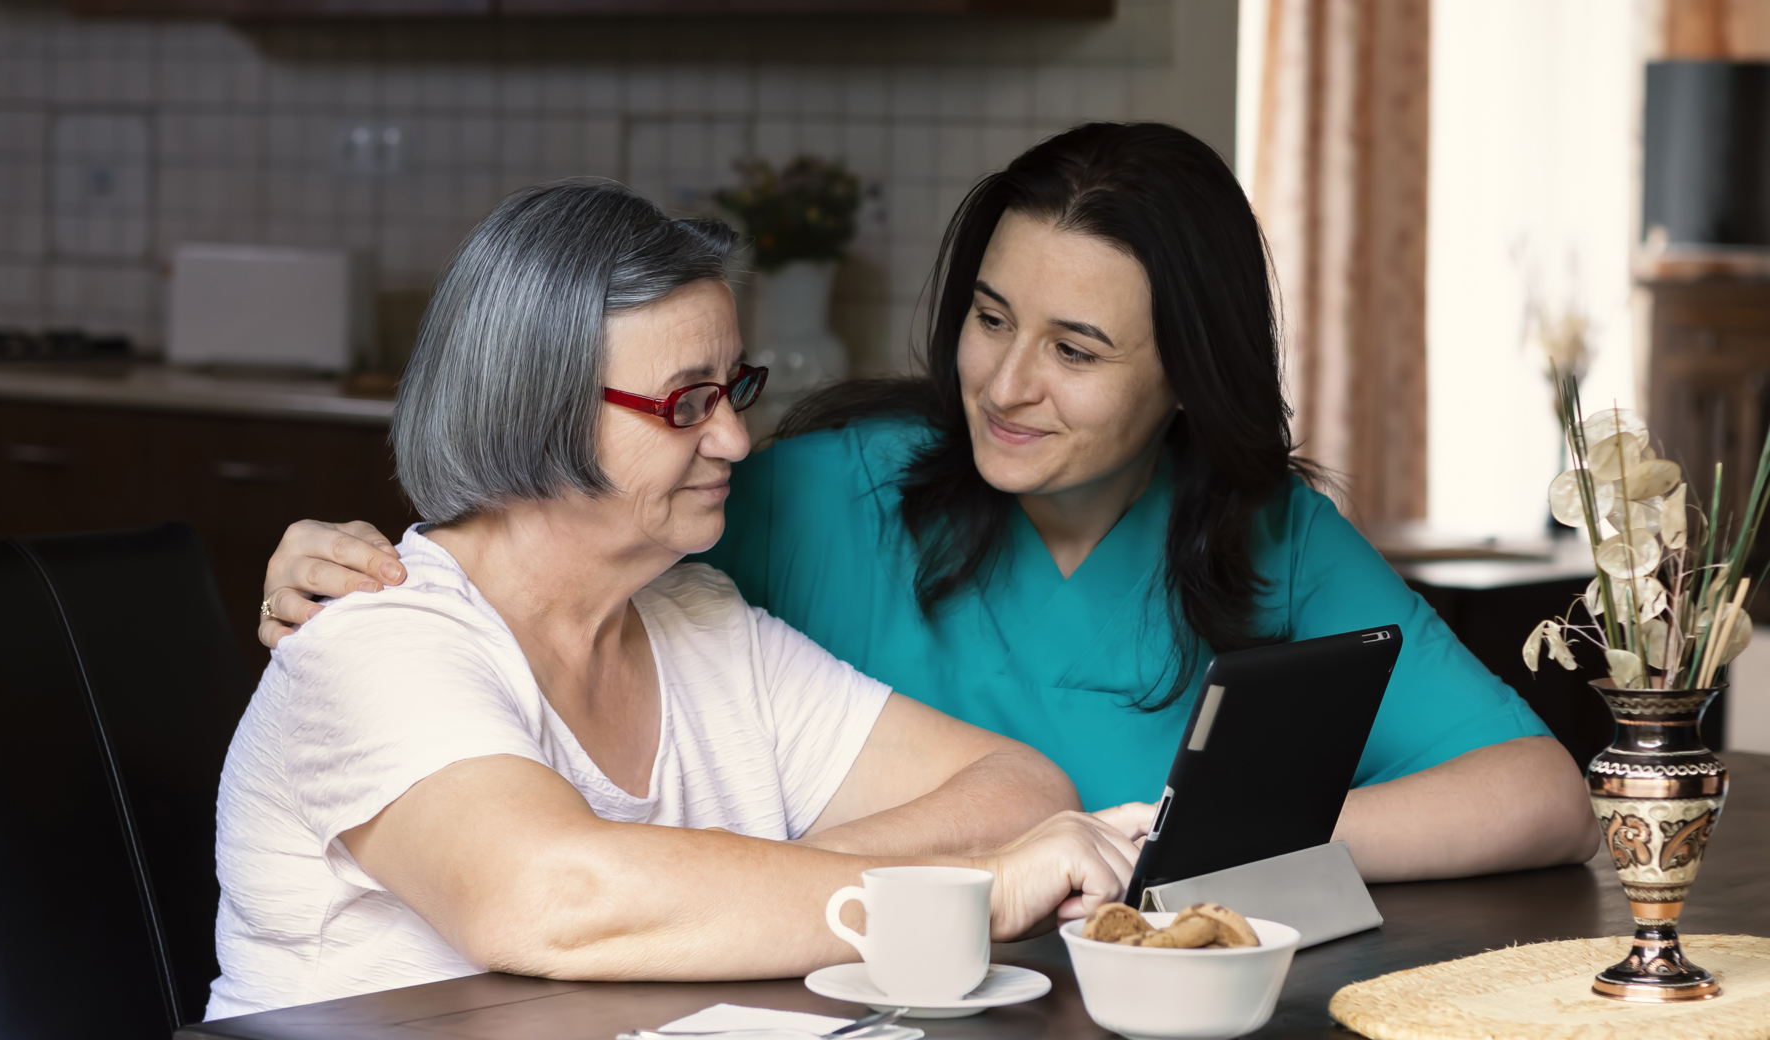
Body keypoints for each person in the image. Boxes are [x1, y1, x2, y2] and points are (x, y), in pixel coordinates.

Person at [257, 123, 1599, 887]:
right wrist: (357, 558)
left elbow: (1541, 795)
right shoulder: (820, 497)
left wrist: (1192, 845)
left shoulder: (1266, 535)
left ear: (1188, 375)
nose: (1005, 385)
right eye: (991, 318)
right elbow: (556, 534)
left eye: (1076, 351)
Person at [207, 181, 1145, 1021]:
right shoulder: (373, 638)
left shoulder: (700, 623)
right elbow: (549, 899)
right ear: (538, 406)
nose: (734, 439)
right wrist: (972, 892)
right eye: (686, 403)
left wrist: (721, 895)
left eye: (734, 389)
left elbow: (1020, 792)